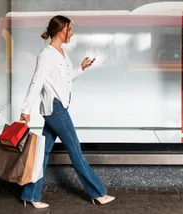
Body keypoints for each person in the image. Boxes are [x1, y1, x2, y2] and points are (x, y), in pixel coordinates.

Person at [19, 15, 115, 209]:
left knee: (43, 153)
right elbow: (36, 82)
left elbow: (66, 79)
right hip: (55, 108)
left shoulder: (61, 52)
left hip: (58, 106)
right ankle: (98, 193)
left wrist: (81, 68)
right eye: (70, 29)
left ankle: (30, 194)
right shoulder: (46, 54)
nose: (72, 33)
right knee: (76, 152)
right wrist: (25, 110)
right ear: (61, 30)